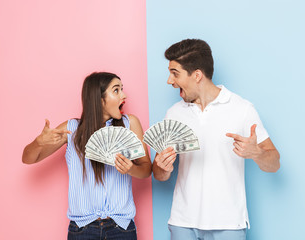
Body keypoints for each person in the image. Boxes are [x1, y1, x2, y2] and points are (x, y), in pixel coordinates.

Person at [152, 39, 280, 240]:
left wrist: (257, 152)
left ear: (197, 75)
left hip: (228, 223)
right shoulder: (174, 113)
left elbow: (274, 164)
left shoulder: (242, 109)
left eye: (175, 73)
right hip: (183, 222)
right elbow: (159, 175)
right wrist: (162, 168)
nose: (170, 81)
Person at [22, 72, 152, 240]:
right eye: (116, 90)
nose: (124, 95)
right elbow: (28, 158)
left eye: (122, 89)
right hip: (82, 229)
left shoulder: (130, 124)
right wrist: (39, 141)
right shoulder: (72, 129)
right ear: (99, 99)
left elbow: (146, 169)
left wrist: (131, 169)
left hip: (121, 228)